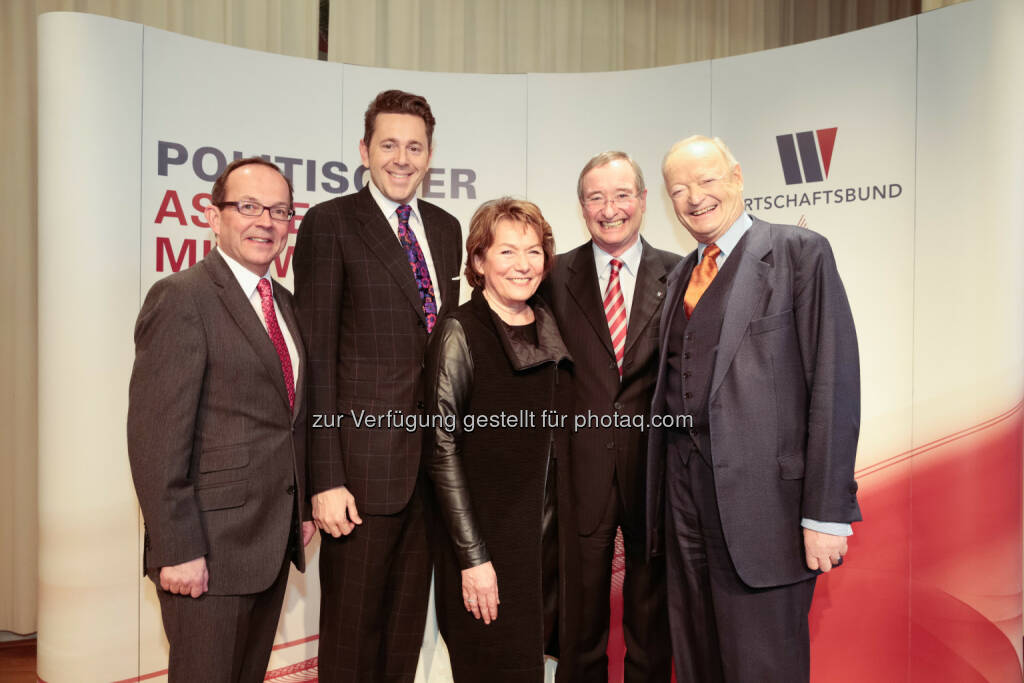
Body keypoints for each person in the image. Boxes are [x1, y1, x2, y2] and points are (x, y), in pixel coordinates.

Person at [646, 135, 862, 682]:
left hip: (769, 512)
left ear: (737, 178)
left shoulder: (798, 253)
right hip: (684, 507)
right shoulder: (678, 279)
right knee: (698, 661)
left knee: (762, 667)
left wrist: (826, 513)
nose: (694, 198)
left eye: (707, 181)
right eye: (679, 190)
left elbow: (833, 385)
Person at [293, 89, 463, 681]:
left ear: (429, 155)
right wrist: (325, 477)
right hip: (360, 477)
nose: (402, 157)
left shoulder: (445, 229)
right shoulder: (331, 223)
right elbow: (313, 360)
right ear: (364, 150)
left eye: (414, 147)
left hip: (429, 472)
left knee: (404, 634)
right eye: (388, 144)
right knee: (352, 633)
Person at [127, 157, 315, 682]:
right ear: (213, 217)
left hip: (270, 544)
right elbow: (156, 438)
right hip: (207, 551)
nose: (266, 221)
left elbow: (286, 420)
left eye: (279, 210)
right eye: (248, 206)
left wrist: (298, 503)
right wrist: (178, 548)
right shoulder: (182, 298)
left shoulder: (285, 304)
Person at [425, 197, 581, 682]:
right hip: (486, 551)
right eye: (507, 252)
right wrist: (474, 560)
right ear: (478, 261)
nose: (523, 265)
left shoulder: (552, 327)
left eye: (533, 252)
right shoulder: (460, 331)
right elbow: (441, 450)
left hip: (549, 551)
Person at [541, 151, 675, 682]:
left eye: (621, 195)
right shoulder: (553, 276)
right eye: (596, 197)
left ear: (643, 201)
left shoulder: (682, 272)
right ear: (581, 207)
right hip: (580, 473)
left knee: (651, 621)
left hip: (655, 474)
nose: (610, 208)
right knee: (580, 626)